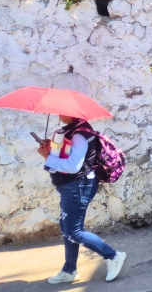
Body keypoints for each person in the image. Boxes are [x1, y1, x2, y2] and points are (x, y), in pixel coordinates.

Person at [38, 115, 127, 284]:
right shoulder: (71, 132)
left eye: (61, 112)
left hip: (78, 187)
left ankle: (113, 256)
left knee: (74, 231)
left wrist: (47, 157)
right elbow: (66, 158)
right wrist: (50, 151)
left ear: (71, 113)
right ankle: (69, 270)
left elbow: (73, 166)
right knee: (67, 228)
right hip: (71, 187)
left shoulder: (80, 135)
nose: (58, 115)